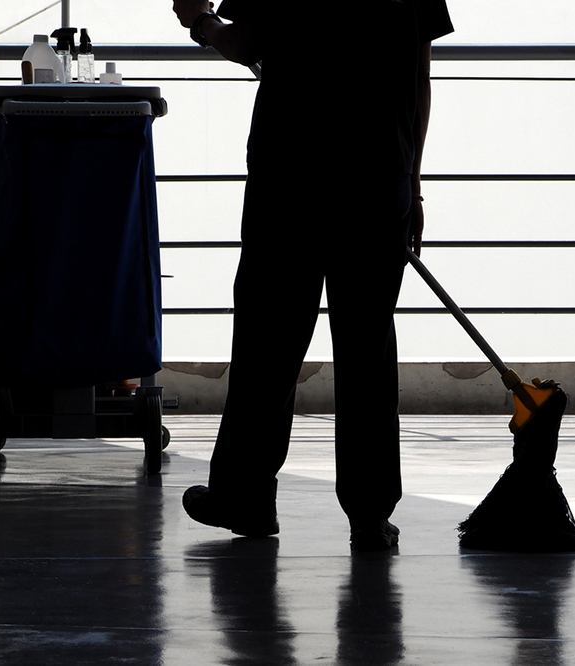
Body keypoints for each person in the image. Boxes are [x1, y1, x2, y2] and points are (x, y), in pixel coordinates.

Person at [171, 0, 453, 551]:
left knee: (268, 340)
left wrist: (199, 22)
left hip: (291, 175)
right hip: (378, 177)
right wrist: (411, 182)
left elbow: (248, 44)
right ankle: (370, 515)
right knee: (367, 345)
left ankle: (245, 495)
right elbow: (419, 79)